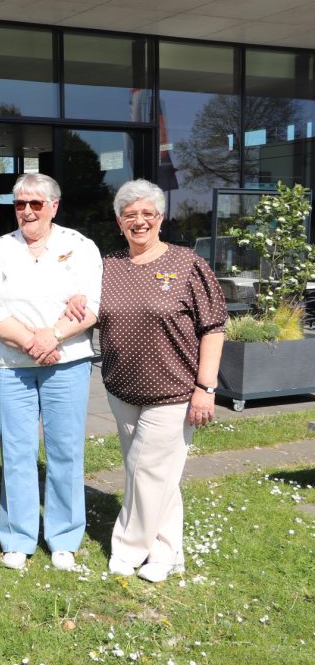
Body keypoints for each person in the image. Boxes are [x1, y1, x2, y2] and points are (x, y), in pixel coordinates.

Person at [70, 178, 226, 582]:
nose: (138, 221)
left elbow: (213, 327)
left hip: (174, 390)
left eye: (146, 214)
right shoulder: (109, 266)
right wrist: (73, 301)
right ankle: (168, 551)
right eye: (129, 215)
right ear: (119, 221)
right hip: (122, 388)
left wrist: (205, 388)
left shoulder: (188, 264)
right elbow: (89, 309)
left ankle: (127, 547)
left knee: (147, 469)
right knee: (158, 475)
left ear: (160, 218)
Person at [0, 173, 101, 571]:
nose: (27, 212)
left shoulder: (79, 247)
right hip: (13, 365)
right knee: (17, 452)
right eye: (20, 204)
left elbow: (92, 306)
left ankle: (63, 537)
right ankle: (18, 537)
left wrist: (53, 337)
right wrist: (32, 341)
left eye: (36, 204)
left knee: (65, 451)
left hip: (67, 363)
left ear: (54, 206)